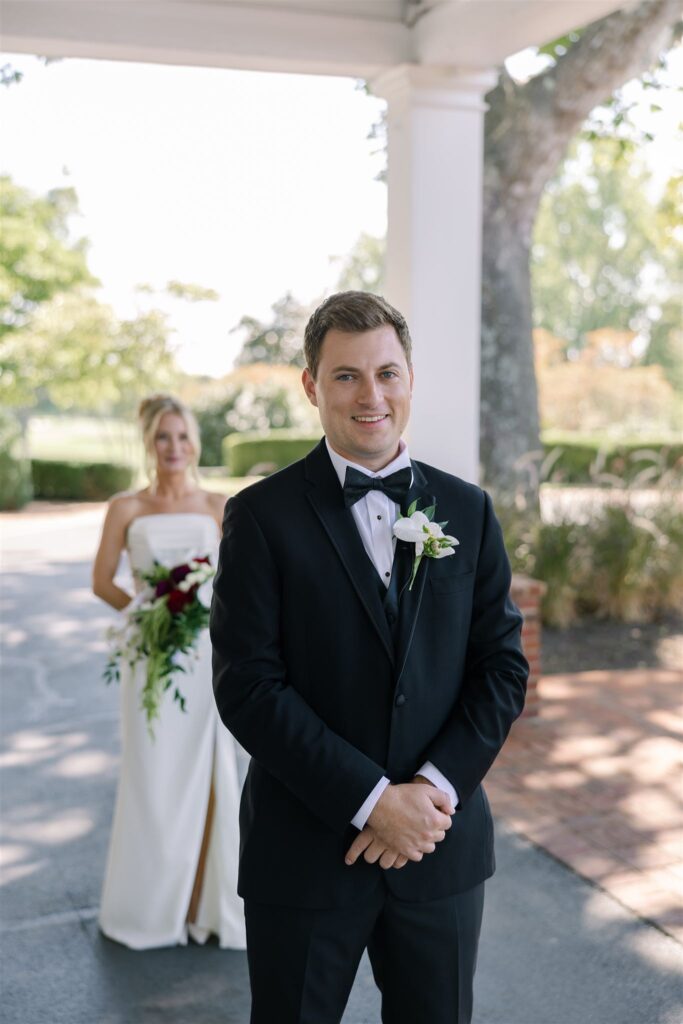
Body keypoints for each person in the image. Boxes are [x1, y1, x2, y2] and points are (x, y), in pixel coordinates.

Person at [211, 292, 528, 1023]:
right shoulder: (260, 517)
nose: (370, 395)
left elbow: (501, 669)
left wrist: (426, 794)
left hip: (436, 846)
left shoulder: (468, 510)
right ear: (311, 386)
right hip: (305, 848)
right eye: (346, 376)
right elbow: (249, 687)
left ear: (410, 377)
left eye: (386, 372)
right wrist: (371, 802)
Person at [93, 394, 246, 950]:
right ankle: (153, 907)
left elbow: (239, 585)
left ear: (195, 443)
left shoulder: (217, 504)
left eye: (183, 437)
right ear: (149, 443)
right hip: (152, 658)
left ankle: (206, 906)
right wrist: (149, 614)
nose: (174, 448)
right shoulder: (126, 508)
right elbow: (103, 580)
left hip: (207, 659)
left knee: (211, 774)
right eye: (163, 437)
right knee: (154, 778)